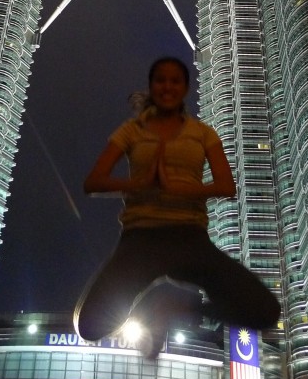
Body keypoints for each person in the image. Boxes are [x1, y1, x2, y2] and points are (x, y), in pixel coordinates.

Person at [75, 57, 280, 357]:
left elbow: (226, 186)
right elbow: (93, 182)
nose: (167, 86)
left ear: (184, 88)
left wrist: (183, 189)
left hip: (190, 239)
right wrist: (141, 184)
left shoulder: (202, 133)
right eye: (160, 80)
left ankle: (172, 305)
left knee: (264, 311)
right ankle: (152, 306)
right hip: (139, 241)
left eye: (175, 81)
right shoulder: (131, 131)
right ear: (152, 86)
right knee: (89, 326)